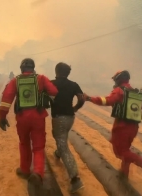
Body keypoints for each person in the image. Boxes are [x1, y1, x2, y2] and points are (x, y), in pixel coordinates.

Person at [83, 70, 142, 182]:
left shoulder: (119, 91)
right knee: (125, 150)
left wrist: (90, 98)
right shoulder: (136, 93)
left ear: (118, 80)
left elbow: (108, 100)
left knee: (120, 151)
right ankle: (124, 174)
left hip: (121, 127)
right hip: (133, 127)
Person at [0, 58, 58, 186]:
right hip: (38, 116)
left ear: (21, 69)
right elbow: (54, 91)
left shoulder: (15, 80)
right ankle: (37, 172)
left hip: (22, 117)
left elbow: (6, 99)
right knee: (38, 146)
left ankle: (25, 170)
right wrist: (46, 98)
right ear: (33, 68)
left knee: (24, 143)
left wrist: (2, 117)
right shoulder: (41, 78)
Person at [50, 62, 85, 193]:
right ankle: (58, 152)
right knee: (60, 136)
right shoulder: (74, 85)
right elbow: (81, 99)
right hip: (70, 117)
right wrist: (75, 108)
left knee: (62, 144)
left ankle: (75, 179)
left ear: (56, 71)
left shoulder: (51, 83)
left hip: (58, 117)